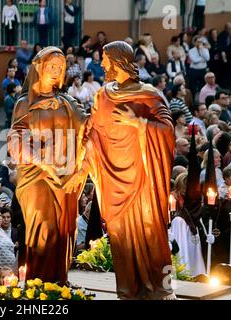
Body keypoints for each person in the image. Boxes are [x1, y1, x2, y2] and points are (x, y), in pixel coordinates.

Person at [73, 41, 176, 299]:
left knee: (150, 234)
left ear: (120, 61)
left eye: (106, 60)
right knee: (120, 238)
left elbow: (168, 132)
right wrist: (83, 161)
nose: (103, 65)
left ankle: (159, 288)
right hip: (113, 181)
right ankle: (128, 290)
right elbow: (93, 134)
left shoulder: (148, 94)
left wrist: (140, 123)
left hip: (142, 179)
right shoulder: (102, 95)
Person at [7, 46, 88, 284]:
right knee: (43, 228)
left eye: (60, 68)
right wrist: (44, 163)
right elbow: (16, 139)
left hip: (66, 177)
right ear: (39, 68)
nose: (56, 71)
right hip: (37, 177)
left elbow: (87, 127)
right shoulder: (25, 104)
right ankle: (40, 284)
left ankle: (59, 280)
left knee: (65, 230)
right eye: (51, 66)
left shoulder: (68, 102)